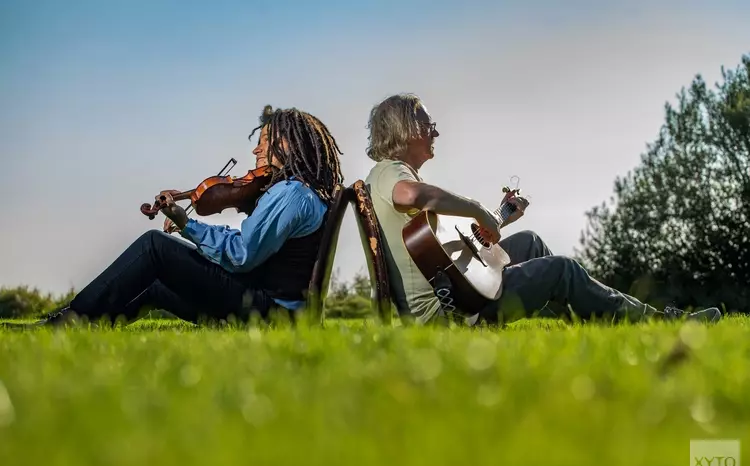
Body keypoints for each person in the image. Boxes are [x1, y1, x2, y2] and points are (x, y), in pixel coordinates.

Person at [362, 93, 721, 326]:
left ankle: (593, 319)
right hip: (451, 312)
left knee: (530, 242)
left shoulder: (391, 174)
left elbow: (447, 253)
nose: (436, 134)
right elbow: (411, 194)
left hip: (455, 290)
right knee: (562, 270)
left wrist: (499, 217)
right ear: (407, 130)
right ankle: (657, 322)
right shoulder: (391, 174)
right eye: (429, 126)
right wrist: (477, 210)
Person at [25, 104, 344, 327]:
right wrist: (189, 225)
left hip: (271, 314)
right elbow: (248, 245)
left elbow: (241, 255)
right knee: (155, 289)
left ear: (287, 143)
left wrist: (187, 225)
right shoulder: (302, 191)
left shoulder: (289, 193)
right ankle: (84, 325)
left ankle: (71, 319)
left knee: (154, 245)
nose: (256, 152)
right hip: (274, 305)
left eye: (263, 142)